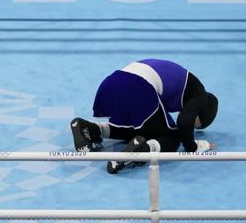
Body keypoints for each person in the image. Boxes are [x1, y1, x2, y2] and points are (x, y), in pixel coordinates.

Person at [71, 59, 218, 174]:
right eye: (196, 124)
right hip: (139, 86)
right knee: (173, 137)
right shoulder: (200, 96)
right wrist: (194, 146)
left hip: (112, 82)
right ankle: (142, 149)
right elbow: (184, 123)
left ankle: (90, 129)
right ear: (201, 112)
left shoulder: (181, 83)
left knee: (142, 127)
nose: (192, 127)